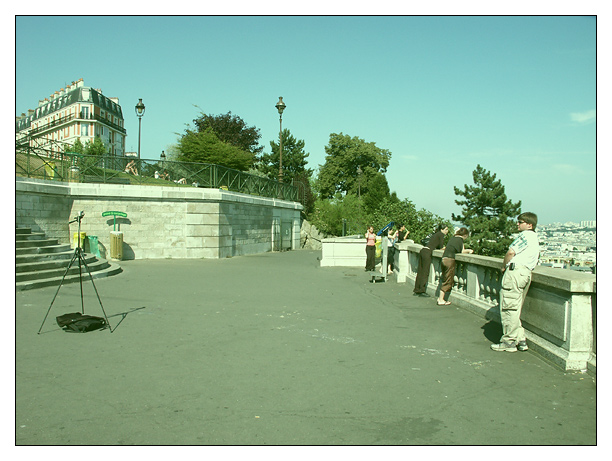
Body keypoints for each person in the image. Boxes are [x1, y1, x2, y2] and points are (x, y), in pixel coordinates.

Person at [491, 212, 540, 352]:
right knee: (515, 307)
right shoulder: (535, 238)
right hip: (525, 273)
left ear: (529, 225)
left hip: (515, 272)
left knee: (509, 308)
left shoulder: (525, 235)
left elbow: (511, 252)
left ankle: (509, 341)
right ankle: (520, 339)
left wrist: (504, 266)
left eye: (521, 221)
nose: (518, 224)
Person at [436, 227, 473, 306]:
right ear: (465, 235)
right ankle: (441, 299)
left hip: (444, 258)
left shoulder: (453, 238)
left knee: (444, 278)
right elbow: (462, 251)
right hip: (450, 260)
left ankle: (441, 298)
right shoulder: (460, 240)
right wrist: (469, 251)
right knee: (448, 280)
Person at [413, 224, 449, 297]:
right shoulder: (441, 235)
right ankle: (422, 291)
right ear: (442, 229)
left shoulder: (436, 234)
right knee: (425, 272)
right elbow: (441, 247)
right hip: (427, 252)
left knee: (420, 271)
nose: (447, 231)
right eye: (446, 229)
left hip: (423, 250)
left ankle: (417, 289)